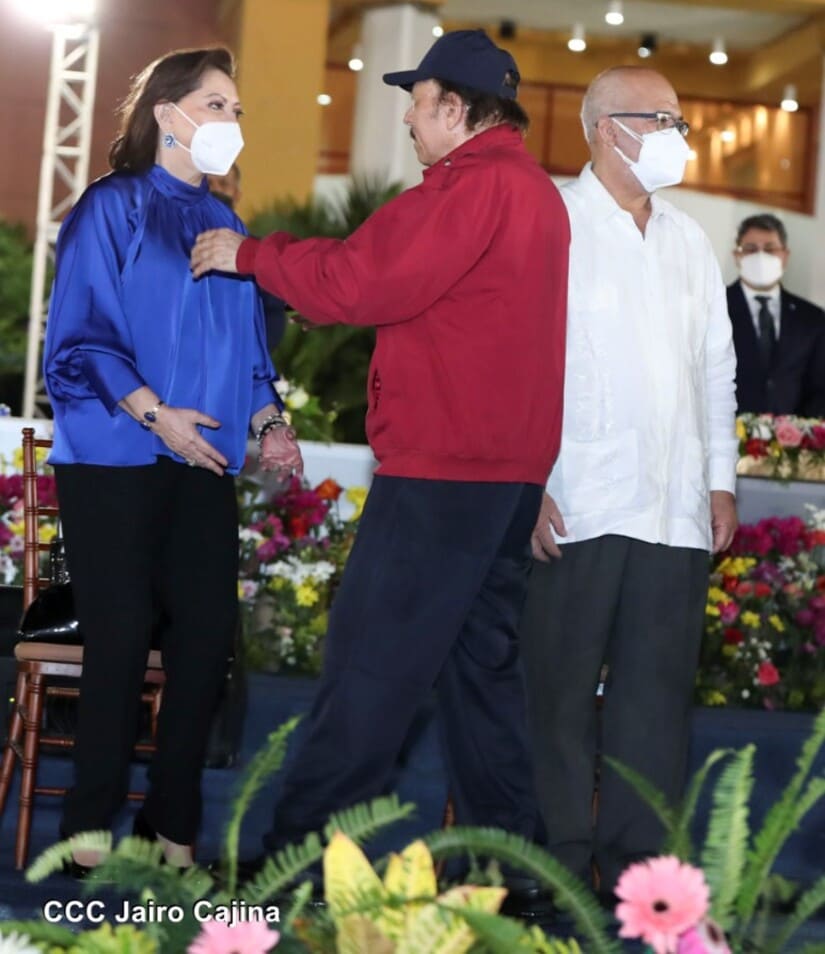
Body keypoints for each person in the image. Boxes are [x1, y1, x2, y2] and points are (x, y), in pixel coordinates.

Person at [191, 29, 569, 894]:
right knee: (481, 685)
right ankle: (517, 877)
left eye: (418, 101)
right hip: (504, 476)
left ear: (456, 109)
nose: (407, 117)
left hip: (442, 471)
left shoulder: (470, 187)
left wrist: (252, 257)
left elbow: (364, 279)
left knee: (369, 670)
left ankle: (292, 866)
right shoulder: (535, 193)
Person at [43, 46, 303, 876]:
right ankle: (88, 823)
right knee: (120, 638)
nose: (232, 120)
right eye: (217, 104)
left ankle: (171, 824)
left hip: (203, 461)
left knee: (205, 642)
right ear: (168, 113)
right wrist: (157, 414)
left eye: (236, 109)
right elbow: (80, 337)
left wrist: (270, 421)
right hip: (115, 453)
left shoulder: (230, 229)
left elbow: (250, 356)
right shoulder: (110, 206)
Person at [517, 66, 739, 898]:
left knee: (653, 707)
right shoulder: (553, 222)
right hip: (578, 501)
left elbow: (715, 369)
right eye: (664, 120)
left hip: (674, 511)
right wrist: (528, 481)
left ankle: (641, 880)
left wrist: (719, 480)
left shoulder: (687, 238)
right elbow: (518, 363)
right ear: (608, 128)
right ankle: (552, 872)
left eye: (680, 120)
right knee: (557, 699)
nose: (679, 136)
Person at [727, 213, 825, 417]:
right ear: (737, 256)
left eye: (770, 249)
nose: (761, 257)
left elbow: (819, 388)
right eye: (751, 249)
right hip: (727, 432)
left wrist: (798, 431)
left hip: (792, 435)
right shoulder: (714, 308)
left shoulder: (812, 319)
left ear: (785, 255)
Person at [207, 164, 288, 351]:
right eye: (209, 184)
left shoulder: (258, 253)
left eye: (223, 184)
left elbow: (273, 316)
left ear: (237, 195)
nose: (215, 190)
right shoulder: (174, 243)